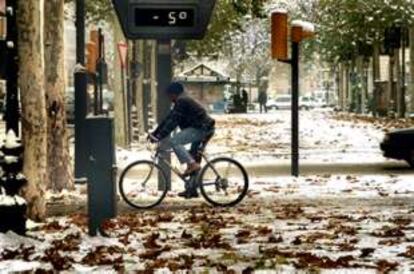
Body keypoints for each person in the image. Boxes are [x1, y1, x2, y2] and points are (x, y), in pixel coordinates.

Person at [148, 82, 215, 194]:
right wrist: (155, 134)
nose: (169, 98)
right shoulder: (181, 101)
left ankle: (192, 165)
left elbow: (173, 122)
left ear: (174, 94)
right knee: (193, 156)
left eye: (169, 95)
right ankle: (192, 189)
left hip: (202, 128)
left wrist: (159, 136)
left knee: (174, 141)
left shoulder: (182, 101)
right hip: (203, 128)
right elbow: (168, 119)